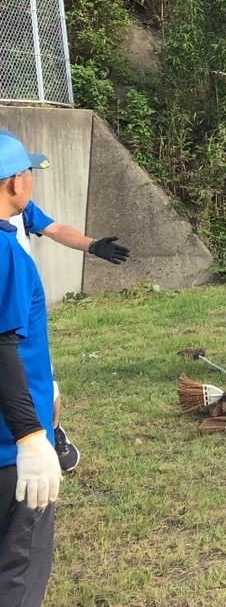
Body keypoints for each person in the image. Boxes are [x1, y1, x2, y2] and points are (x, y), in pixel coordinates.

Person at [7, 198, 129, 473]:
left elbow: (54, 228)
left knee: (42, 380)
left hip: (23, 310)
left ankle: (54, 430)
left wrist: (92, 245)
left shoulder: (21, 206)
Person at [0, 133, 60, 607]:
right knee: (16, 575)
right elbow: (2, 347)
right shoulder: (6, 256)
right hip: (7, 450)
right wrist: (30, 437)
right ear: (16, 181)